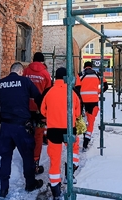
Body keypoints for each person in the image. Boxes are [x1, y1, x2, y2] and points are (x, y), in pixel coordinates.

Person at [0, 62, 43, 199]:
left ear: (11, 71)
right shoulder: (25, 82)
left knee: (5, 157)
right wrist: (40, 114)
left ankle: (3, 188)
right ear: (20, 72)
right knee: (27, 156)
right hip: (22, 127)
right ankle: (30, 183)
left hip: (6, 127)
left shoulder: (1, 84)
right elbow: (39, 98)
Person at [40, 67, 81, 199]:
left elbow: (42, 111)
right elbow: (78, 112)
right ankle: (70, 173)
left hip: (53, 130)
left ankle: (55, 189)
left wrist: (52, 115)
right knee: (73, 150)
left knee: (54, 158)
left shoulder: (49, 92)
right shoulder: (72, 93)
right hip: (69, 128)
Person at [23, 52, 52, 175]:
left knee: (26, 133)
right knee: (38, 136)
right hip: (40, 110)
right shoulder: (45, 74)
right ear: (42, 61)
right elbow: (48, 92)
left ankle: (26, 160)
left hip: (25, 108)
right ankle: (35, 162)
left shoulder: (25, 71)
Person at [80, 61, 108, 152]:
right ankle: (86, 142)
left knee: (81, 121)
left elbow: (76, 88)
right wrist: (98, 91)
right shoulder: (97, 74)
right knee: (91, 122)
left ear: (84, 67)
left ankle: (82, 134)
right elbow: (106, 86)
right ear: (91, 67)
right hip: (93, 101)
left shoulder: (80, 74)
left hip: (82, 102)